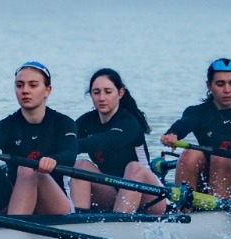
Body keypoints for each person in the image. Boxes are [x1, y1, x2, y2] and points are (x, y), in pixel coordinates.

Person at [0, 61, 77, 216]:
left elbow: (70, 155)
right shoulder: (7, 125)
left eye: (33, 85)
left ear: (47, 90)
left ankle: (13, 231)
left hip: (56, 206)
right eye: (19, 85)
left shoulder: (63, 123)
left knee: (28, 168)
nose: (25, 90)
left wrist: (54, 160)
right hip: (18, 199)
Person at [160, 58, 231, 199]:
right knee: (189, 154)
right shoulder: (197, 111)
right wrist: (172, 133)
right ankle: (183, 208)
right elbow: (185, 123)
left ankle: (217, 212)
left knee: (221, 157)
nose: (227, 90)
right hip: (208, 178)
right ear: (209, 85)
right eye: (220, 84)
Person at [70, 69, 167, 215]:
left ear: (120, 93)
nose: (102, 98)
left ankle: (119, 226)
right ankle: (78, 222)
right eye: (96, 93)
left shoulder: (129, 122)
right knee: (80, 166)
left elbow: (105, 141)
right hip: (113, 192)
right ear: (91, 95)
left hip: (150, 195)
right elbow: (64, 138)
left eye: (108, 92)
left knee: (134, 168)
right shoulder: (86, 121)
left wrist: (70, 146)